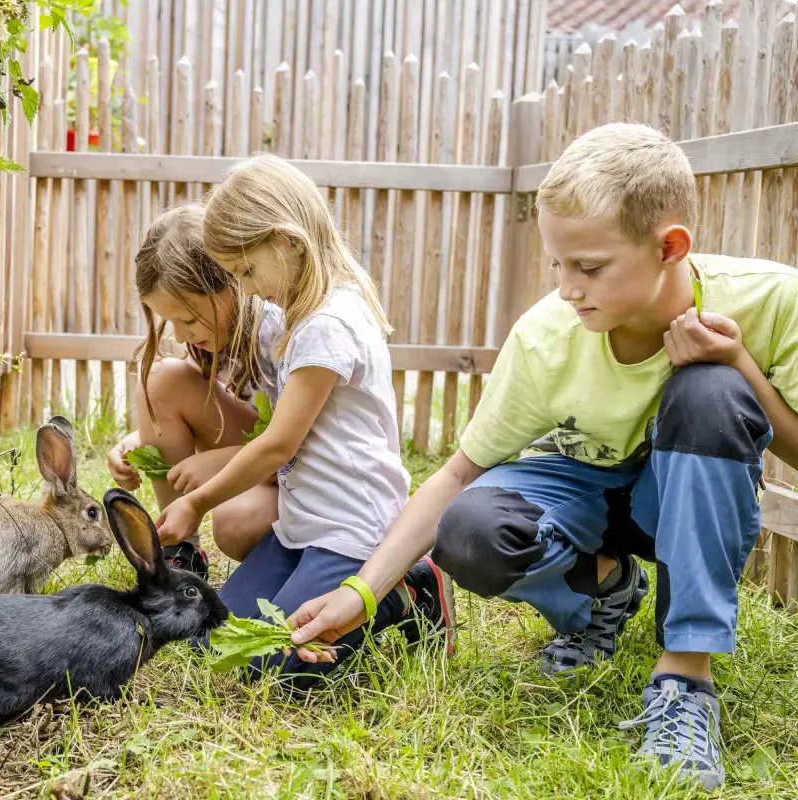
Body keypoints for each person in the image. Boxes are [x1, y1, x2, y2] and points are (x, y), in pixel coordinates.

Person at [289, 123, 798, 788]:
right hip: (587, 488)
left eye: (588, 267)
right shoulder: (546, 337)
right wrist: (361, 590)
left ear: (670, 247)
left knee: (710, 391)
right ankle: (604, 594)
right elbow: (457, 472)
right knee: (471, 528)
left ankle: (683, 681)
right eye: (558, 264)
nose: (567, 288)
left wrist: (737, 361)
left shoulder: (771, 299)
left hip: (684, 496)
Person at [155, 154, 455, 688]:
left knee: (272, 668)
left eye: (247, 271)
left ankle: (406, 589)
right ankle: (332, 591)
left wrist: (197, 501)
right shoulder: (301, 317)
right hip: (302, 527)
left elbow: (278, 446)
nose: (246, 289)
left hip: (351, 531)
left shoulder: (327, 326)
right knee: (214, 639)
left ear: (288, 241)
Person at [106, 204, 283, 577]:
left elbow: (298, 444)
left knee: (235, 524)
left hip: (302, 467)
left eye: (187, 319)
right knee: (161, 378)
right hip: (264, 456)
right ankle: (179, 550)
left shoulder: (276, 332)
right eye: (170, 321)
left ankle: (300, 558)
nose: (181, 335)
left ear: (230, 283)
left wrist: (220, 460)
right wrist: (141, 442)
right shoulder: (210, 337)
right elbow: (219, 418)